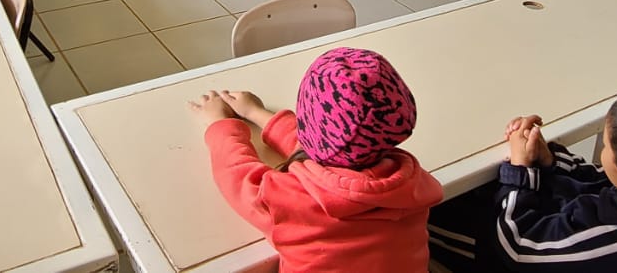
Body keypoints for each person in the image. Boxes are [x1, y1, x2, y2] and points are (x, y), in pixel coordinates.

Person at [188, 47, 442, 272]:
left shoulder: (288, 202)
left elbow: (237, 175)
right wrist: (258, 113)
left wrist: (220, 124)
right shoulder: (413, 183)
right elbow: (332, 146)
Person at [427, 90, 617, 272]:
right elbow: (600, 182)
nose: (602, 152)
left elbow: (516, 248)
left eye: (607, 146)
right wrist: (549, 161)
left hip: (509, 253)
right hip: (562, 234)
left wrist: (521, 170)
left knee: (428, 212)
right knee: (491, 182)